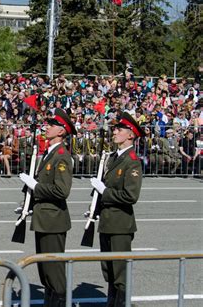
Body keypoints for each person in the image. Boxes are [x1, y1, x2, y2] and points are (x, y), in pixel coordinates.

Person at [18, 108, 76, 307]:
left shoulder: (61, 156)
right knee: (45, 272)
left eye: (52, 125)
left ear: (61, 131)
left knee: (54, 273)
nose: (47, 127)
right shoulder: (49, 154)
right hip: (44, 219)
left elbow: (61, 190)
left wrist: (35, 186)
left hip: (53, 221)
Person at [90, 112, 144, 307]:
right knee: (109, 270)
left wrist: (104, 191)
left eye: (119, 129)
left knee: (120, 272)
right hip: (107, 222)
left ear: (130, 135)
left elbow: (131, 196)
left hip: (120, 224)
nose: (115, 131)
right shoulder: (112, 157)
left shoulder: (132, 161)